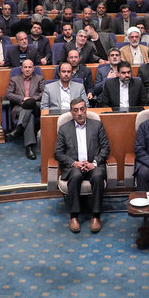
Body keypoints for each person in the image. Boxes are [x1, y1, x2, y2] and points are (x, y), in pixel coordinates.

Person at [53, 97, 110, 234]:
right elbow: (58, 153)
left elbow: (105, 148)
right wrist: (74, 163)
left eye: (82, 109)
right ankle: (74, 216)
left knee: (97, 176)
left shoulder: (96, 125)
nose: (79, 113)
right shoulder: (64, 129)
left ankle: (96, 216)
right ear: (72, 113)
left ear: (86, 110)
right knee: (76, 175)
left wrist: (94, 163)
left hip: (93, 165)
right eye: (76, 110)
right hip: (74, 167)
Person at [4, 58, 45, 160]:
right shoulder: (15, 79)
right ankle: (29, 147)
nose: (27, 69)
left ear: (33, 69)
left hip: (36, 106)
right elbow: (8, 94)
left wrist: (30, 100)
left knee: (30, 103)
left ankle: (18, 129)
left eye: (30, 67)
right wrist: (23, 99)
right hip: (20, 107)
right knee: (29, 116)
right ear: (21, 69)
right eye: (25, 67)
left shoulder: (39, 78)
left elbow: (44, 93)